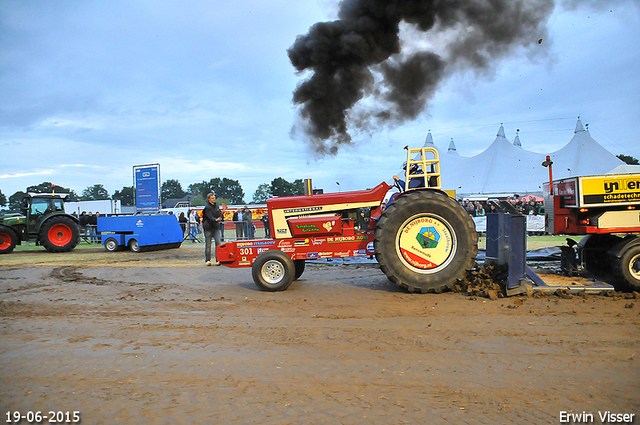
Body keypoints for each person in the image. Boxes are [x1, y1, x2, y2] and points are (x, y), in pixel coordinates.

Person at [202, 193, 223, 266]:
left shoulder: (217, 206)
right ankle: (208, 260)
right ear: (209, 199)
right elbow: (209, 217)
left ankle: (218, 259)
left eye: (214, 197)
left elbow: (218, 214)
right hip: (208, 228)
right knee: (208, 245)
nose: (214, 199)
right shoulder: (207, 208)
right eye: (212, 198)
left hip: (216, 228)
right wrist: (215, 220)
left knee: (218, 243)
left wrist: (221, 216)